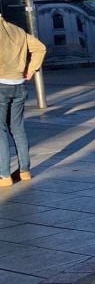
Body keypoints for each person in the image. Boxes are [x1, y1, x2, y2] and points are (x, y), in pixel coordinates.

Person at [0, 16, 46, 188]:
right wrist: (30, 70)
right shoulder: (17, 30)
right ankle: (24, 171)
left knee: (0, 130)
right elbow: (40, 48)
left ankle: (4, 175)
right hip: (19, 85)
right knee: (17, 128)